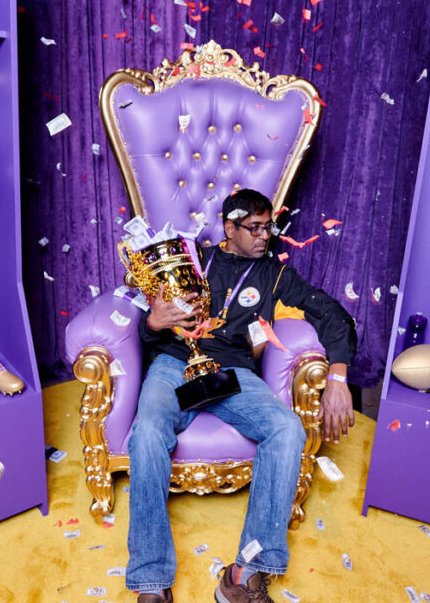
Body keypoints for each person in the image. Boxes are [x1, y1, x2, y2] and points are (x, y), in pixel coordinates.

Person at [126, 189, 358, 603]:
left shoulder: (275, 274)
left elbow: (332, 313)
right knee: (146, 435)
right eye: (253, 228)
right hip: (175, 363)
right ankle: (150, 580)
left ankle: (245, 572)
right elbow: (147, 320)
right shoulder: (193, 257)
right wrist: (154, 321)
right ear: (228, 228)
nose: (264, 236)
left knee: (287, 430)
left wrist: (338, 378)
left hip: (232, 372)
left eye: (268, 227)